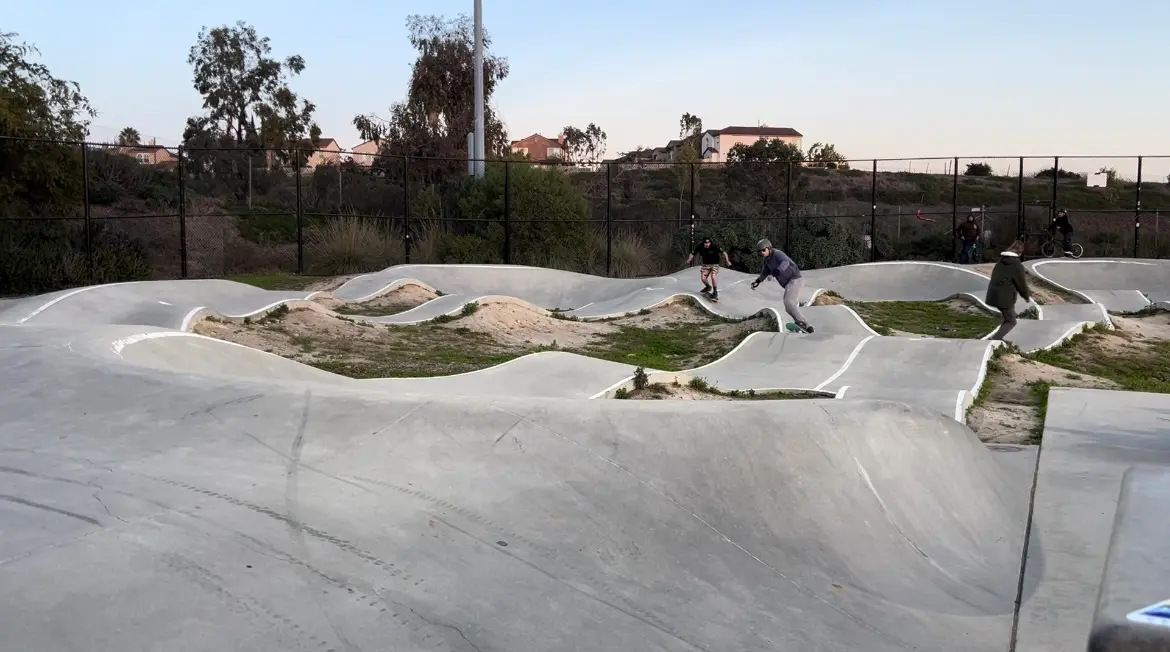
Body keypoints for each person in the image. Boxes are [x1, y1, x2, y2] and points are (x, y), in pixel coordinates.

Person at [750, 238, 814, 333]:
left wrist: (778, 270)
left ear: (769, 248)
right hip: (789, 283)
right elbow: (765, 272)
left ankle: (804, 324)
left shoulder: (777, 254)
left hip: (795, 279)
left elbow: (785, 262)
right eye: (760, 251)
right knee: (788, 307)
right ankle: (802, 323)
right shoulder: (767, 261)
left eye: (764, 250)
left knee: (788, 302)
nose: (762, 253)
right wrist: (758, 281)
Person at [986, 240, 1034, 341]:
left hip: (993, 294)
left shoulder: (1001, 261)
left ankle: (997, 337)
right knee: (1012, 321)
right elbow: (1021, 284)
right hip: (1004, 297)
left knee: (1007, 317)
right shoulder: (1016, 265)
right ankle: (995, 339)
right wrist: (1026, 296)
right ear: (1020, 252)